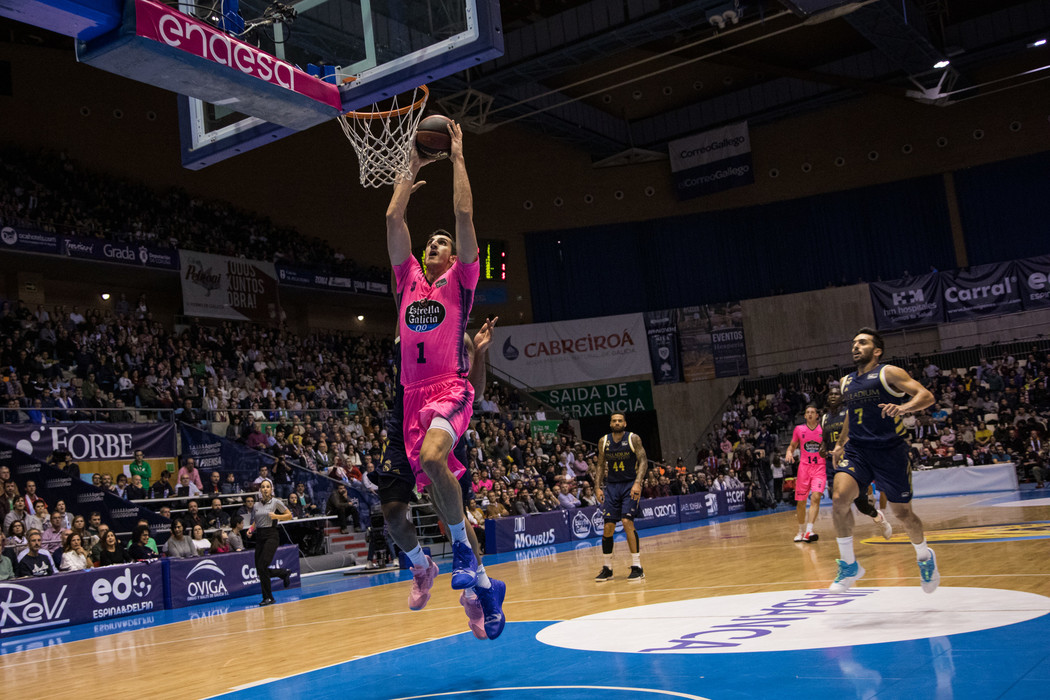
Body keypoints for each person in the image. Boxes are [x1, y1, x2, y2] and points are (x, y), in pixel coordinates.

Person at [385, 128, 486, 604]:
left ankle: (463, 552)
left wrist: (457, 157)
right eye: (431, 242)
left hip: (450, 387)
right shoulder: (406, 280)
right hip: (410, 396)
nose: (435, 245)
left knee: (431, 460)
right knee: (426, 489)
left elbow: (464, 214)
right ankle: (481, 586)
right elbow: (392, 217)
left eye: (442, 242)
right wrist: (411, 166)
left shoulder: (461, 282)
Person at [377, 321, 504, 639]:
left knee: (453, 517)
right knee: (393, 513)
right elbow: (401, 285)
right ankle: (421, 566)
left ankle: (477, 592)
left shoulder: (458, 336)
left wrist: (480, 353)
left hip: (441, 422)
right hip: (402, 426)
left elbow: (473, 394)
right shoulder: (412, 322)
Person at [829, 328, 939, 594]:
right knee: (839, 499)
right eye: (854, 342)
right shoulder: (846, 382)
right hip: (858, 451)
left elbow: (926, 395)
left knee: (903, 514)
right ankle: (850, 565)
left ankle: (925, 557)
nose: (856, 346)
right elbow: (850, 416)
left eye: (863, 343)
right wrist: (840, 443)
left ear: (876, 350)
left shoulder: (888, 373)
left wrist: (903, 408)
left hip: (890, 452)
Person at [821, 384, 892, 540]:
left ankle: (877, 515)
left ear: (842, 397)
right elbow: (825, 440)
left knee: (861, 505)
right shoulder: (825, 418)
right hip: (831, 463)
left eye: (836, 394)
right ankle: (847, 538)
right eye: (830, 394)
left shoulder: (848, 413)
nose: (832, 396)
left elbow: (857, 432)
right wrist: (823, 448)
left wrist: (844, 447)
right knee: (837, 500)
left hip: (850, 459)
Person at [593, 412, 649, 582]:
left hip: (629, 484)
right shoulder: (604, 441)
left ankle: (637, 566)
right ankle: (607, 568)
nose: (617, 423)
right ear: (610, 423)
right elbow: (601, 465)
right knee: (608, 527)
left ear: (625, 423)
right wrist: (597, 487)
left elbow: (643, 461)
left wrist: (638, 483)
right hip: (612, 487)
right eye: (614, 421)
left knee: (626, 522)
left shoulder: (633, 438)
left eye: (620, 421)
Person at [246, 478, 293, 606]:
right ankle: (283, 573)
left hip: (271, 535)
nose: (265, 489)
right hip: (260, 536)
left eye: (267, 486)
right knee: (259, 569)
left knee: (262, 566)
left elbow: (289, 515)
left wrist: (277, 516)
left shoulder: (276, 502)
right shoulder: (256, 505)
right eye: (263, 487)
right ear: (260, 490)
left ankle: (269, 597)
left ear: (271, 489)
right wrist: (250, 529)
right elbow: (256, 521)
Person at [785, 405, 825, 543]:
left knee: (816, 497)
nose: (809, 414)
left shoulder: (823, 429)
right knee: (801, 502)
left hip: (819, 468)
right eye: (807, 412)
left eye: (812, 412)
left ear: (817, 415)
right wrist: (789, 451)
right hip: (804, 469)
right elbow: (792, 445)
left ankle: (809, 530)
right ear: (805, 416)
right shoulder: (799, 429)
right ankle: (801, 531)